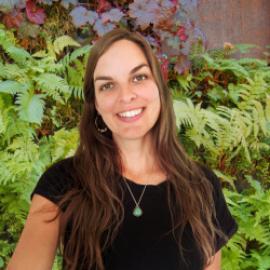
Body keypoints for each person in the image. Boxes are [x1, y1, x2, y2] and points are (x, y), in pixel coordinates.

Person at [7, 28, 238, 270]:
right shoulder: (64, 183)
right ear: (95, 103)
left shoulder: (202, 185)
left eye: (138, 78)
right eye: (108, 85)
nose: (126, 96)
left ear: (158, 86)